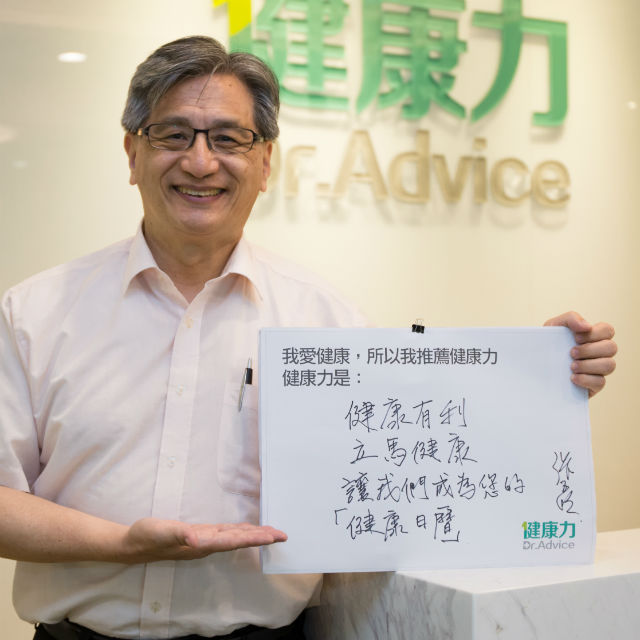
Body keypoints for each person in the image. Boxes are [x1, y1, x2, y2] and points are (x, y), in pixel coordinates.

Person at [0, 35, 616, 640]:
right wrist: (122, 544)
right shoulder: (35, 313)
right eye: (174, 134)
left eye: (228, 138)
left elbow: (413, 463)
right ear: (133, 153)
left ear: (266, 163)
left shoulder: (327, 321)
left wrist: (537, 380)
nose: (201, 161)